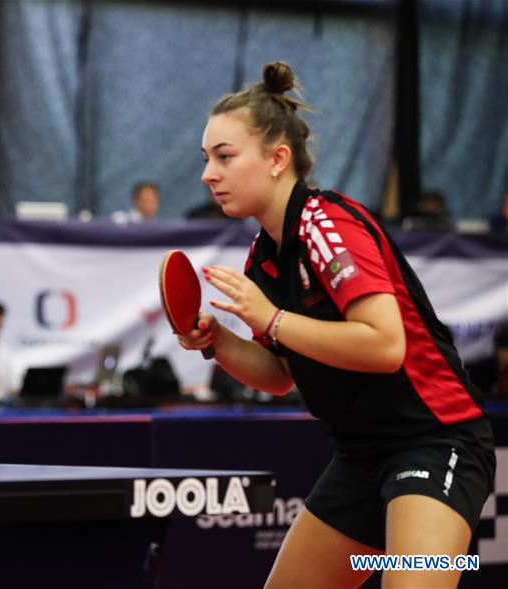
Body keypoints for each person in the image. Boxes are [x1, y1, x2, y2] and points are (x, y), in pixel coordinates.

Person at [176, 62, 495, 588]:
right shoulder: (264, 258)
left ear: (278, 159)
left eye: (225, 156)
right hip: (360, 456)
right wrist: (218, 341)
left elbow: (385, 346)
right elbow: (280, 375)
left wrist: (273, 318)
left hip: (436, 442)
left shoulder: (328, 225)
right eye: (206, 158)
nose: (209, 174)